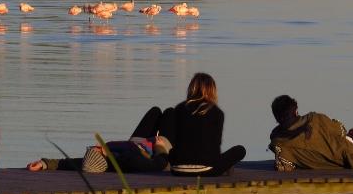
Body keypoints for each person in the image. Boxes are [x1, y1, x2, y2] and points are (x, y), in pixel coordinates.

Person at [27, 106, 175, 173]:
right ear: (102, 156)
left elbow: (69, 163)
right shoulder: (131, 161)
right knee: (170, 113)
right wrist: (160, 146)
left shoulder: (99, 163)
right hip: (155, 148)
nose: (97, 145)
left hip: (136, 143)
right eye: (96, 149)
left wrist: (44, 163)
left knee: (155, 111)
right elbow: (159, 165)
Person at [268, 95, 353, 171]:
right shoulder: (316, 119)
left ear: (276, 118)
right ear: (296, 111)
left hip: (324, 163)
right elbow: (339, 130)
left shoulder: (279, 143)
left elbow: (284, 167)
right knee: (350, 135)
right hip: (349, 156)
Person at [168, 72, 246, 176]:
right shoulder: (217, 113)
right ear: (212, 90)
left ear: (191, 88)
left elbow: (174, 140)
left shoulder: (179, 109)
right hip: (206, 170)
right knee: (240, 150)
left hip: (177, 169)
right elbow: (216, 144)